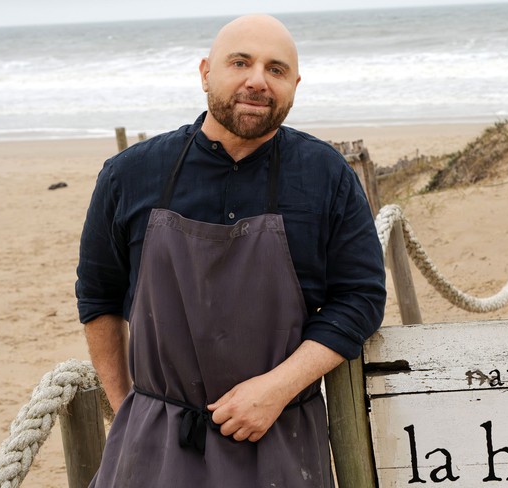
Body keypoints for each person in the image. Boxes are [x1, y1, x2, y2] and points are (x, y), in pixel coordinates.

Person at [75, 13, 386, 488]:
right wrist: (128, 411)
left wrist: (277, 389)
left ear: (295, 84)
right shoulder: (129, 175)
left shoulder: (326, 176)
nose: (257, 80)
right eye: (240, 62)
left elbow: (360, 298)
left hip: (280, 438)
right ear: (205, 72)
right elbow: (99, 297)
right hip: (154, 444)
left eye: (276, 70)